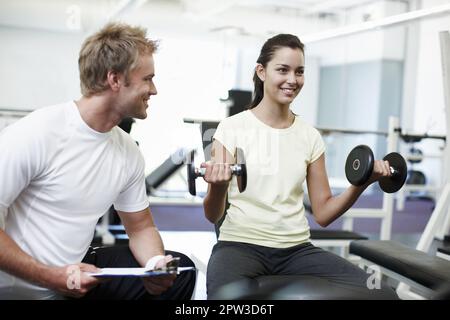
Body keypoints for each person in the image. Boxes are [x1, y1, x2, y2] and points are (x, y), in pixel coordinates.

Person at [0, 22, 196, 300]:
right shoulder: (36, 133)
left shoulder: (126, 149)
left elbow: (141, 227)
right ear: (114, 79)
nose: (154, 90)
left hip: (75, 277)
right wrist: (51, 276)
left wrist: (154, 266)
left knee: (180, 271)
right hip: (20, 287)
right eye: (147, 78)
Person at [202, 34, 398, 299]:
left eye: (299, 72)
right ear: (261, 71)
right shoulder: (231, 128)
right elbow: (213, 214)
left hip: (295, 250)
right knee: (226, 301)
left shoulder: (310, 136)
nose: (292, 80)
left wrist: (360, 184)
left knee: (381, 294)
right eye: (282, 70)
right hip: (239, 246)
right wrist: (218, 187)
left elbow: (324, 213)